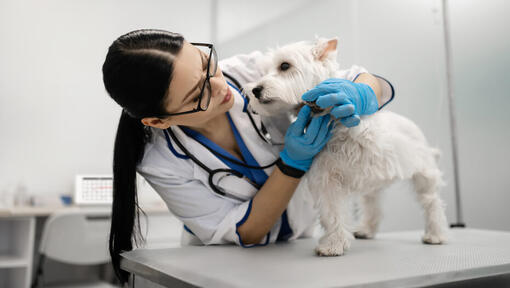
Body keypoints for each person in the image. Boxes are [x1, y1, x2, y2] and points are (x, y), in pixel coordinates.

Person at [101, 29, 394, 285]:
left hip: (304, 249)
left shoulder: (247, 70)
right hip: (225, 269)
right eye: (197, 94)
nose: (219, 85)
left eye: (206, 64)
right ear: (158, 121)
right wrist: (292, 164)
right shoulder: (160, 161)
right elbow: (246, 231)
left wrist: (362, 92)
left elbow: (368, 80)